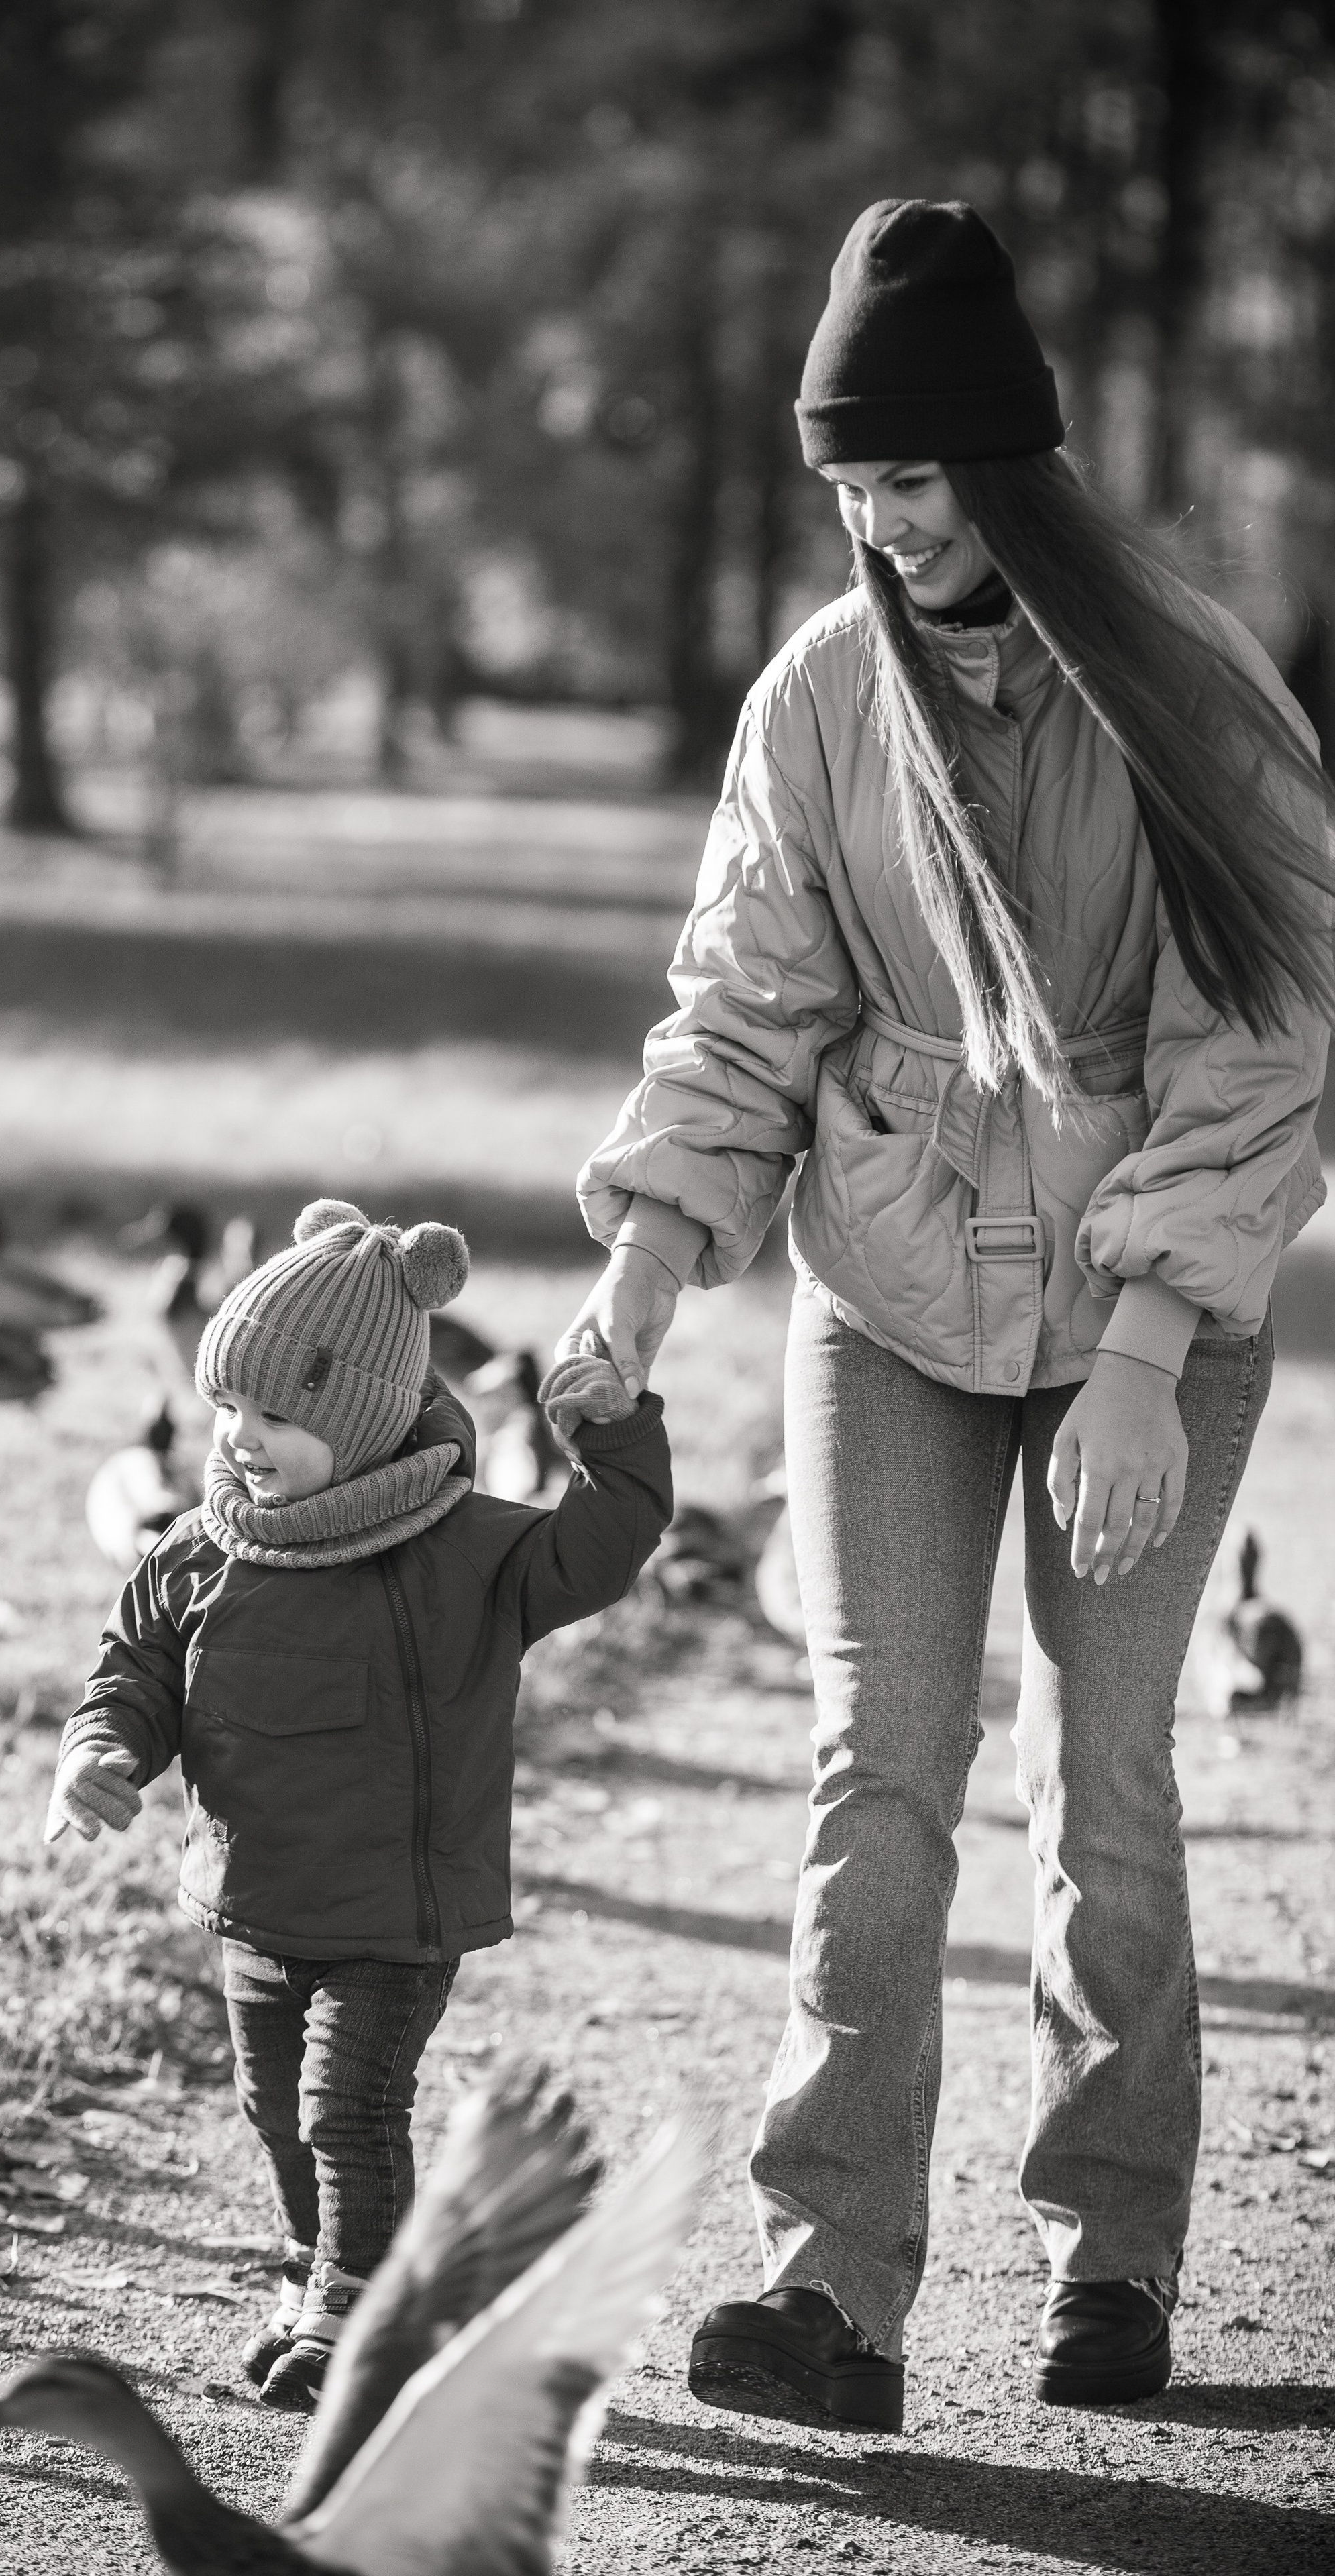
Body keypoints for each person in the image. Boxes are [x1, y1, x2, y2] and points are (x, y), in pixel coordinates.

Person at [564, 198, 1333, 2432]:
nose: (877, 529)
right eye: (846, 489)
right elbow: (743, 1006)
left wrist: (1145, 1361)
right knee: (877, 1771)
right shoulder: (820, 698)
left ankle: (1115, 2259)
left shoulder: (1193, 691)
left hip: (1148, 1314)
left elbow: (1260, 1047)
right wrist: (637, 1280)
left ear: (1008, 466)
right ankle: (832, 2295)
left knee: (1109, 1782)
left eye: (907, 480)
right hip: (886, 1293)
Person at [45, 1198, 670, 2410]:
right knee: (273, 2108)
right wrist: (99, 1750)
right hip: (257, 1900)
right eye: (228, 1407)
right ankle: (312, 2266)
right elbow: (134, 1672)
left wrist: (617, 1437)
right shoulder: (202, 1549)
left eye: (279, 1414)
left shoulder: (468, 1554)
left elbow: (600, 1547)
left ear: (366, 1413)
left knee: (347, 2107)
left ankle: (363, 2307)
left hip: (391, 1913)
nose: (240, 1438)